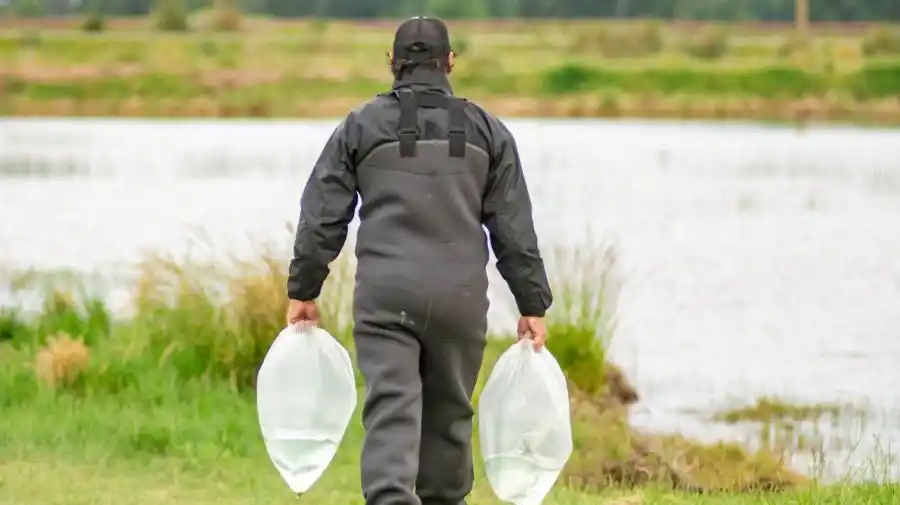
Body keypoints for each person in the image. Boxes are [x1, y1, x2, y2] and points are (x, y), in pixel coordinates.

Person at [285, 16, 553, 505]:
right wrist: (532, 303)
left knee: (392, 407)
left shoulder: (359, 126)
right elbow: (514, 228)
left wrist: (304, 290)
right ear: (449, 62)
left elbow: (322, 216)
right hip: (461, 299)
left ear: (393, 63)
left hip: (387, 297)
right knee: (450, 414)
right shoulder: (488, 131)